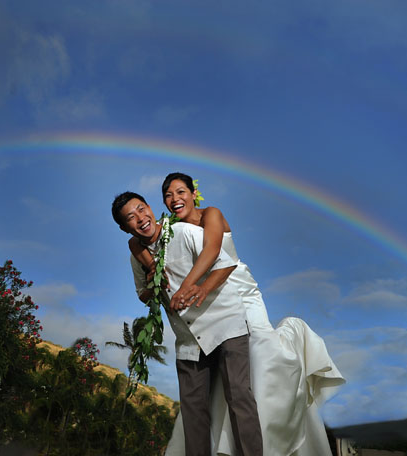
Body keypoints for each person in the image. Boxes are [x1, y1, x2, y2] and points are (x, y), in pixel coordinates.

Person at [133, 173, 345, 456]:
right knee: (225, 377)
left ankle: (276, 426)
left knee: (263, 354)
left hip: (237, 289)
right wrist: (152, 265)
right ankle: (229, 444)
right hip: (206, 300)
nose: (175, 199)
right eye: (168, 195)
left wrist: (189, 286)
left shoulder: (212, 213)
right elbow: (136, 242)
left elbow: (213, 250)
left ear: (194, 193)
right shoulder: (170, 228)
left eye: (181, 192)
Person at [112, 191, 264, 456]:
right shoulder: (136, 256)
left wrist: (201, 289)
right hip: (187, 339)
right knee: (193, 413)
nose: (140, 218)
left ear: (149, 207)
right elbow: (143, 296)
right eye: (130, 218)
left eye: (141, 209)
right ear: (125, 228)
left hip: (225, 324)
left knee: (239, 399)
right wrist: (151, 285)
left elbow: (225, 264)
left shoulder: (182, 232)